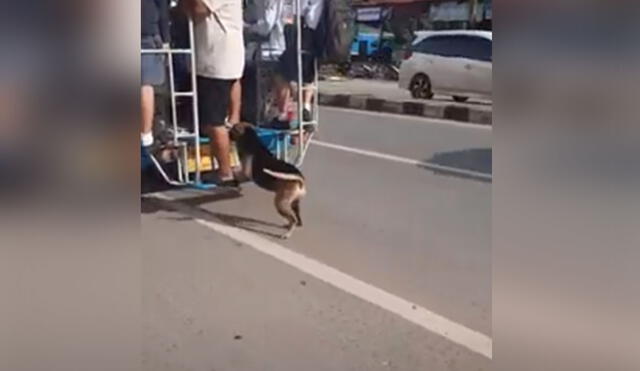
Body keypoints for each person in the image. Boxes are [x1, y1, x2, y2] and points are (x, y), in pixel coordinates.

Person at [181, 0, 245, 186]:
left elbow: (198, 10)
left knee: (213, 121)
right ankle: (235, 165)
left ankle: (224, 172)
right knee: (228, 121)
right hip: (223, 58)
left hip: (216, 61)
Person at [271, 0, 323, 128]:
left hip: (299, 28)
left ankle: (283, 114)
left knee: (282, 73)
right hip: (315, 34)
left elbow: (307, 16)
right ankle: (305, 107)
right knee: (308, 74)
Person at [141, 0, 170, 148]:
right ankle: (145, 133)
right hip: (147, 30)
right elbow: (162, 6)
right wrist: (166, 38)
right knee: (145, 83)